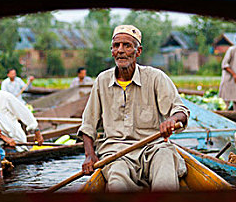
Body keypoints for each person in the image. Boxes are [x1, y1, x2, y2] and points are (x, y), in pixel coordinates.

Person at [79, 25, 190, 192]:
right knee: (117, 181)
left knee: (166, 166)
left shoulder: (155, 77)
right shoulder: (102, 81)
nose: (121, 50)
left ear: (138, 51)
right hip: (116, 152)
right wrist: (89, 155)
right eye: (116, 46)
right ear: (112, 51)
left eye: (127, 45)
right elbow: (88, 126)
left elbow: (180, 110)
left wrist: (172, 120)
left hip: (154, 148)